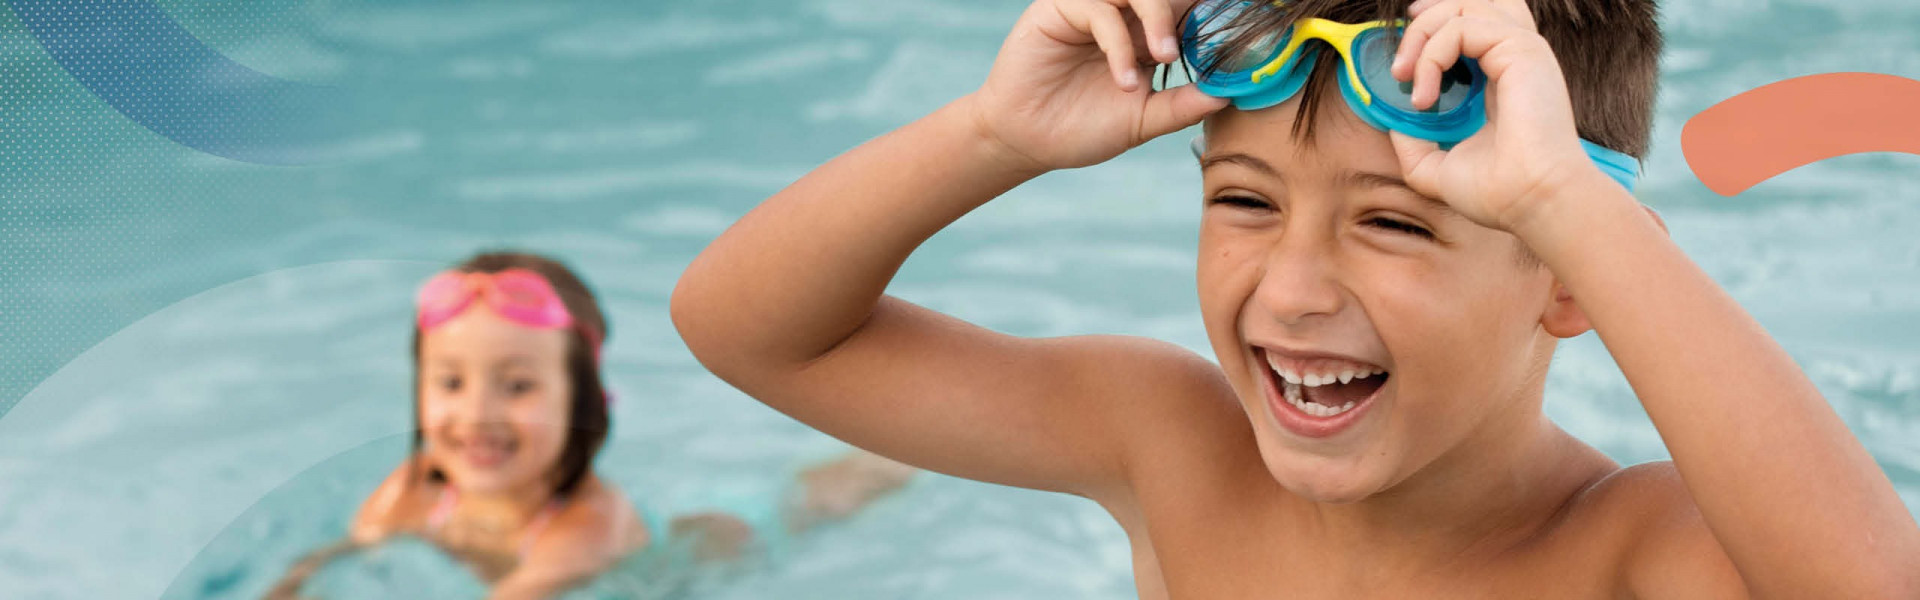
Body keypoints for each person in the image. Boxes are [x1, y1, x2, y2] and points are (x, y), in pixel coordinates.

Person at [669, 0, 1920, 597]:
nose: (1295, 286)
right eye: (1245, 202)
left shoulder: (1632, 554)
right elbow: (749, 331)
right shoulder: (1170, 448)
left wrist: (1571, 206)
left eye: (1391, 222)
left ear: (1574, 279)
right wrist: (998, 133)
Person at [269, 251, 915, 600]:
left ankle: (894, 452)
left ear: (584, 404)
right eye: (450, 382)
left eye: (518, 385)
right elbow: (327, 562)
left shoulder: (585, 525)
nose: (478, 413)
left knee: (809, 505)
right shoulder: (416, 489)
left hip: (700, 555)